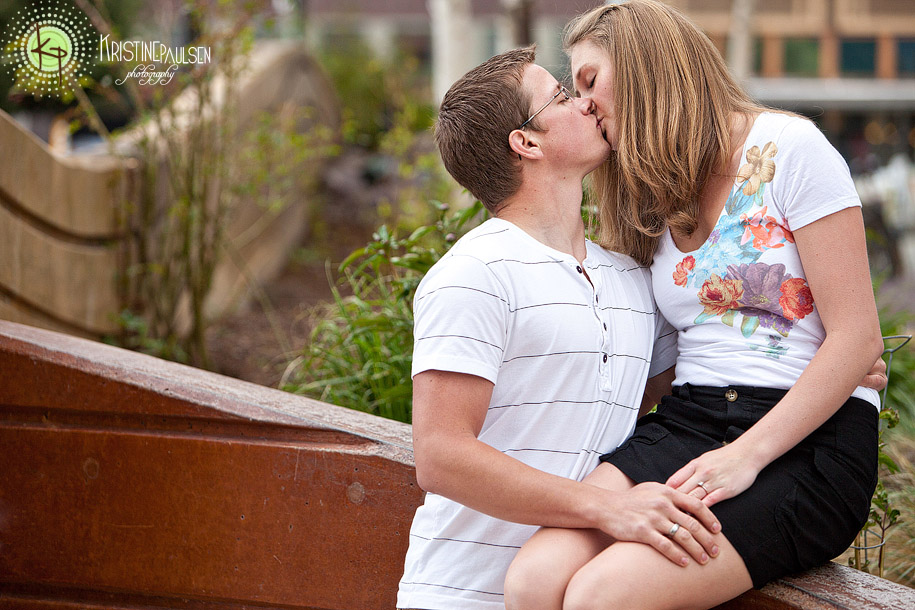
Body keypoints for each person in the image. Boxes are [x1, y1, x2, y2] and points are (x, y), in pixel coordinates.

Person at [504, 2, 885, 609]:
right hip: (691, 421)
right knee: (532, 581)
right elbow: (647, 356)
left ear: (644, 65)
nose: (585, 104)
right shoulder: (650, 191)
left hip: (805, 442)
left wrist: (744, 457)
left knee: (601, 596)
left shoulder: (791, 148)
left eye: (590, 81)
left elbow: (858, 340)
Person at [397, 46, 725, 610]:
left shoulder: (631, 280)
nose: (586, 103)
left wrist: (824, 358)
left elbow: (701, 381)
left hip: (570, 591)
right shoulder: (474, 273)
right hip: (459, 595)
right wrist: (606, 508)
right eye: (560, 96)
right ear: (526, 142)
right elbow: (441, 454)